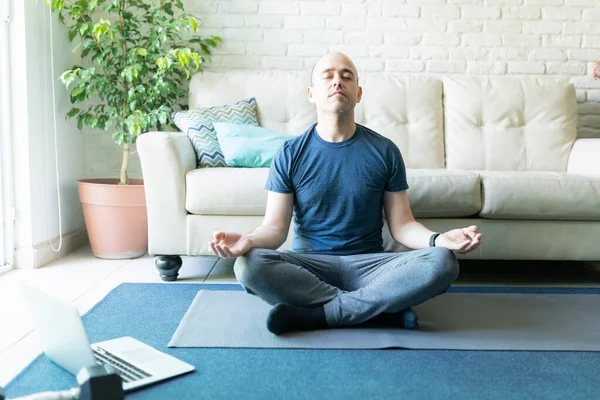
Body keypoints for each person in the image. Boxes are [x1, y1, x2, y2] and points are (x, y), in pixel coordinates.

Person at [208, 52, 482, 335]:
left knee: (442, 261)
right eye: (328, 75)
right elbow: (275, 229)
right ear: (311, 94)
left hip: (372, 267)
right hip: (310, 267)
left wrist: (439, 239)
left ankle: (319, 315)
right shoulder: (290, 154)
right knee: (249, 266)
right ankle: (377, 311)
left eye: (346, 76)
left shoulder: (384, 151)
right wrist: (247, 240)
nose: (337, 81)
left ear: (358, 93)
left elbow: (402, 226)